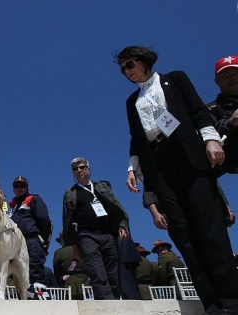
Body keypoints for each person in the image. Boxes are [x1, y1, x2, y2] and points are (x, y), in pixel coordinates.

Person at [116, 45, 238, 313]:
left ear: (145, 61)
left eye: (129, 65)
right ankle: (212, 304)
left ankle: (231, 300)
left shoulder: (176, 79)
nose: (126, 72)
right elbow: (136, 140)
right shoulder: (130, 102)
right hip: (159, 168)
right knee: (183, 234)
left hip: (189, 157)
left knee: (210, 230)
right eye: (122, 68)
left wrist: (211, 140)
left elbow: (197, 111)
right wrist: (132, 168)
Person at [62, 157, 129, 300]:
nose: (79, 170)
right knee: (97, 271)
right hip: (86, 235)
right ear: (72, 173)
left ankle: (115, 302)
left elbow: (116, 207)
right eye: (75, 168)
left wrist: (122, 225)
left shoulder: (101, 188)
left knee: (113, 272)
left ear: (88, 169)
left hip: (107, 234)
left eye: (82, 167)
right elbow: (67, 219)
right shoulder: (70, 193)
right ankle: (107, 304)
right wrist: (74, 244)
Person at [8, 175, 52, 294]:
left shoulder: (33, 199)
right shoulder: (12, 206)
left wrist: (41, 240)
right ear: (13, 189)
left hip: (31, 240)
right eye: (16, 186)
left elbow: (44, 220)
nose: (19, 188)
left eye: (22, 185)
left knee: (35, 269)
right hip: (16, 244)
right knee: (19, 273)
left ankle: (41, 300)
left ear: (27, 188)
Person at [207, 55, 238, 174]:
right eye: (225, 74)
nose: (232, 77)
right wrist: (230, 123)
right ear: (216, 81)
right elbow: (200, 136)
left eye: (236, 72)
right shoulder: (208, 110)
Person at [52, 235, 89, 300]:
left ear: (63, 241)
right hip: (85, 285)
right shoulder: (84, 250)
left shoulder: (59, 252)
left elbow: (56, 272)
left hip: (67, 285)